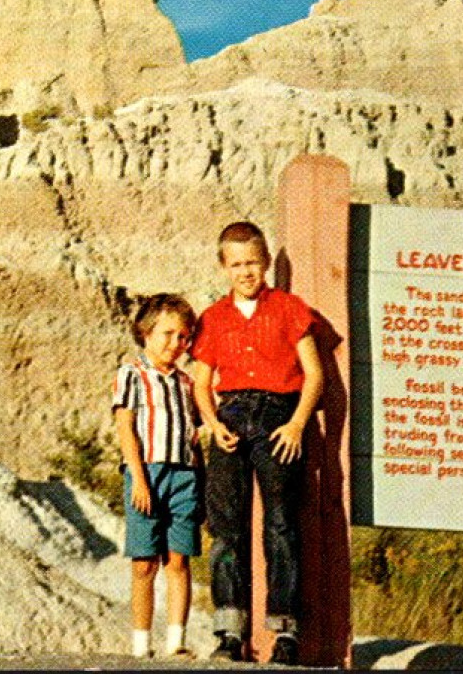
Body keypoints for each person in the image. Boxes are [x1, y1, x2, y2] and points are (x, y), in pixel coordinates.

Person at [190, 221, 324, 665]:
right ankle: (230, 633)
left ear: (265, 262)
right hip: (229, 417)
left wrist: (297, 424)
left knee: (281, 523)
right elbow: (203, 380)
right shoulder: (213, 317)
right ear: (223, 267)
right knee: (226, 526)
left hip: (277, 415)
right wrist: (211, 421)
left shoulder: (288, 308)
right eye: (236, 264)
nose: (245, 272)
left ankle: (285, 633)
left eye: (252, 262)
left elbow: (314, 373)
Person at [111, 293, 203, 660]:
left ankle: (176, 640)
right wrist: (138, 478)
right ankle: (140, 644)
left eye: (182, 337)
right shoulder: (131, 374)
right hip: (146, 471)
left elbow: (193, 433)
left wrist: (201, 479)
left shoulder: (186, 382)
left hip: (184, 474)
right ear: (145, 333)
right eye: (166, 334)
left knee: (178, 559)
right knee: (144, 561)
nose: (174, 344)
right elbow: (125, 427)